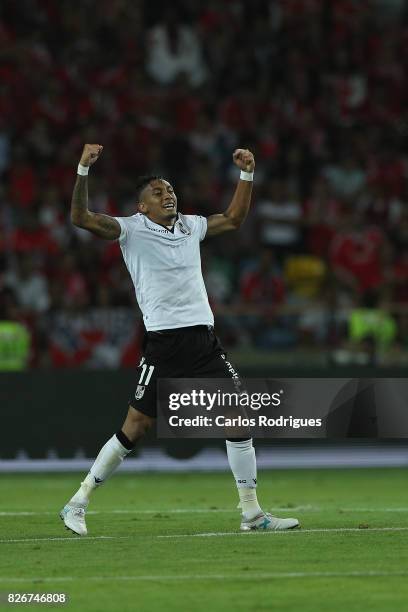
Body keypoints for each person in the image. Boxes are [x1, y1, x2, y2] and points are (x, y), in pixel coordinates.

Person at [60, 144, 299, 536]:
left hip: (204, 342)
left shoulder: (192, 225)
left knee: (238, 416)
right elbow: (80, 217)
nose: (168, 194)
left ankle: (253, 515)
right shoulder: (130, 229)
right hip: (164, 343)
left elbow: (235, 218)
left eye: (170, 189)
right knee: (136, 426)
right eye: (158, 192)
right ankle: (77, 502)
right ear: (142, 206)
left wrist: (247, 174)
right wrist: (83, 168)